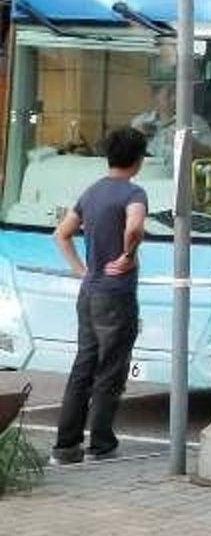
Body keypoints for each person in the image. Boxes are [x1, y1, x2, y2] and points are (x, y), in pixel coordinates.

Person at [49, 126, 148, 464]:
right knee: (111, 369)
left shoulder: (91, 192)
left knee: (84, 365)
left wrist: (82, 270)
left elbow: (61, 234)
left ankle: (66, 445)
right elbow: (135, 226)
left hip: (89, 292)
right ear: (138, 160)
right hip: (117, 294)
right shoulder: (134, 193)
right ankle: (101, 442)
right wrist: (128, 255)